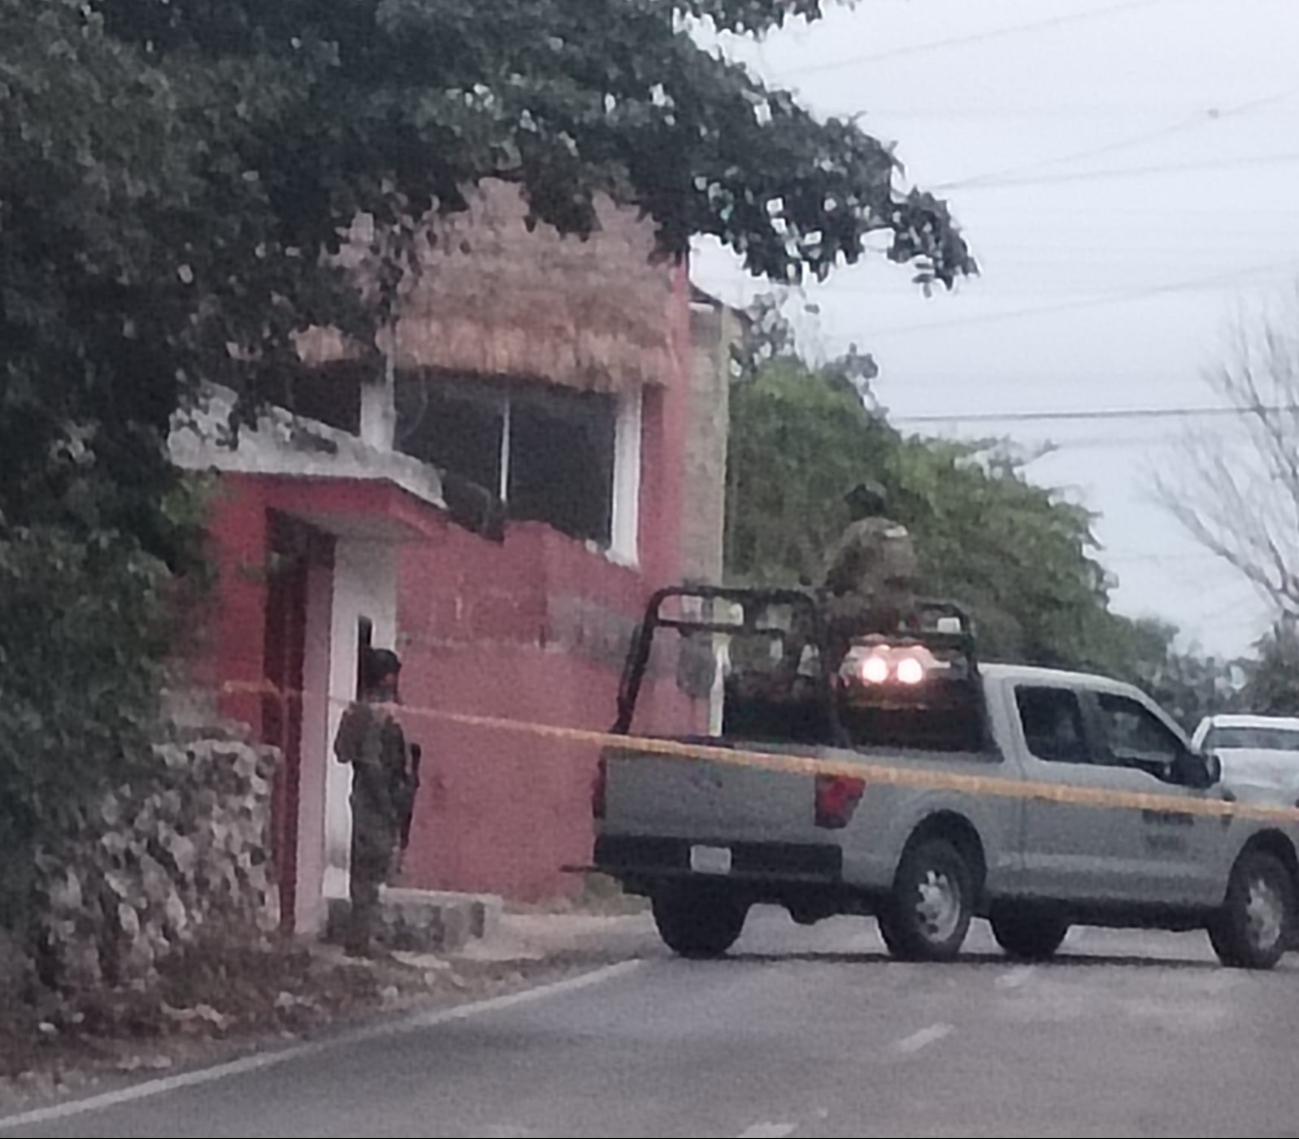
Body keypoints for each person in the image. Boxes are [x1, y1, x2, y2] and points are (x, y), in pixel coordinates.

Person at [334, 648, 419, 957]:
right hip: (376, 801)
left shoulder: (357, 711)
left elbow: (342, 752)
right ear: (387, 677)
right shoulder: (375, 713)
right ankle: (360, 939)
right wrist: (389, 805)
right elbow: (368, 761)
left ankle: (362, 936)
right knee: (370, 872)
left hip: (367, 799)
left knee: (366, 872)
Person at [820, 481, 919, 661]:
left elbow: (834, 570)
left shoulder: (859, 530)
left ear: (862, 506)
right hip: (903, 609)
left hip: (868, 608)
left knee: (820, 619)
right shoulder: (900, 531)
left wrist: (828, 586)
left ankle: (830, 671)